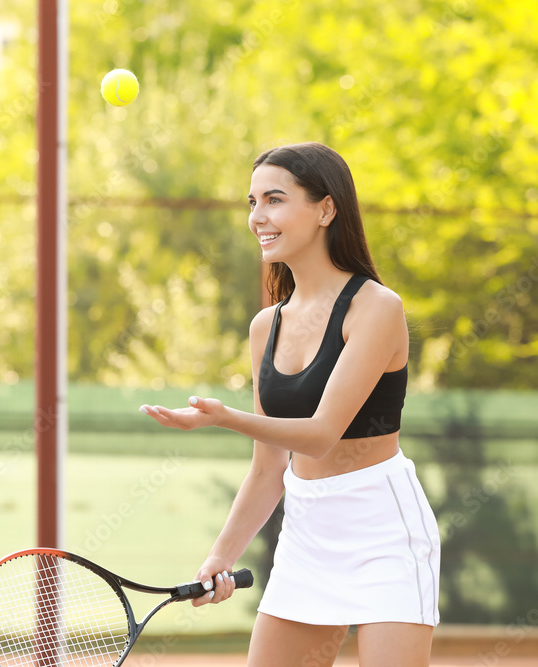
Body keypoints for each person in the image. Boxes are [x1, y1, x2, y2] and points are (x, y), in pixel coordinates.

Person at [140, 142, 440, 666]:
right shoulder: (266, 326)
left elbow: (323, 432)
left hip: (384, 530)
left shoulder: (376, 308)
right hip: (307, 532)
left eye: (274, 200)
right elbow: (267, 470)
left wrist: (226, 418)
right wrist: (220, 557)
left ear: (326, 209)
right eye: (252, 202)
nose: (258, 217)